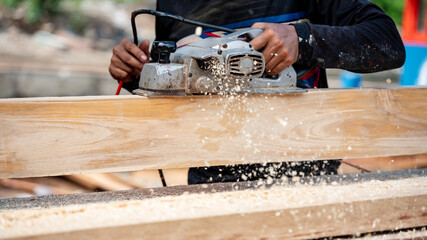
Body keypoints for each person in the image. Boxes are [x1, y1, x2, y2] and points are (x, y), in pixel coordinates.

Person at [109, 0, 406, 184]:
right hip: (210, 179)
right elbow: (183, 81)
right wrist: (140, 74)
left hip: (304, 178)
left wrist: (303, 40)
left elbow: (387, 43)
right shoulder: (174, 4)